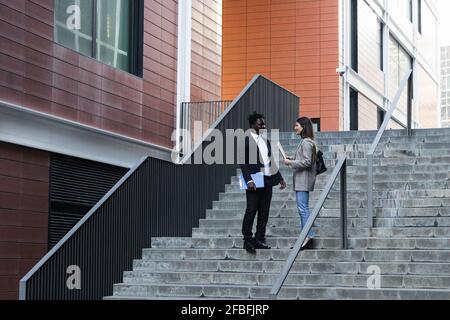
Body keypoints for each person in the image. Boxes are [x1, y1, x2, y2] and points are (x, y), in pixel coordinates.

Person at [240, 112, 287, 254]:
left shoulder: (265, 141)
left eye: (264, 123)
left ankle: (259, 238)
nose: (264, 126)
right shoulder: (245, 140)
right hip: (254, 179)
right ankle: (247, 239)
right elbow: (243, 163)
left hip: (267, 179)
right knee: (251, 209)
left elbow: (270, 161)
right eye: (261, 124)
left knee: (264, 212)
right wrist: (248, 180)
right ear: (253, 124)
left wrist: (279, 177)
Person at [283, 117, 318, 250]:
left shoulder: (306, 143)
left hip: (303, 181)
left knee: (303, 210)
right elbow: (304, 159)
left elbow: (307, 162)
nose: (295, 127)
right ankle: (307, 236)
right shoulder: (306, 142)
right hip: (302, 180)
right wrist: (292, 159)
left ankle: (308, 236)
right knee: (303, 209)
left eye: (297, 125)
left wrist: (290, 162)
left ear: (303, 127)